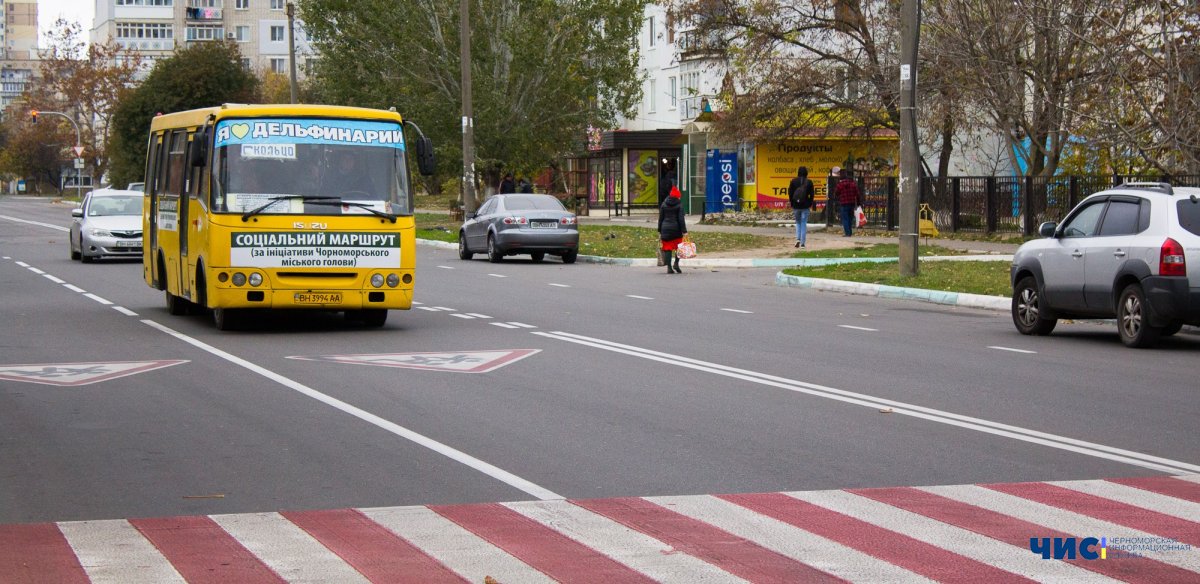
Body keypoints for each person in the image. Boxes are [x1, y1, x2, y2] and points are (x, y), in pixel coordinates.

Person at [658, 185, 687, 274]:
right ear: (677, 196)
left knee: (667, 248)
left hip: (665, 229)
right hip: (676, 230)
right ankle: (676, 264)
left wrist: (659, 230)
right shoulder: (679, 205)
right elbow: (681, 219)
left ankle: (669, 268)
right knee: (679, 247)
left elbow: (661, 218)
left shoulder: (663, 204)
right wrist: (684, 231)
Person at [788, 166, 815, 248]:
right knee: (803, 223)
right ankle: (803, 243)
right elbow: (812, 195)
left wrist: (792, 203)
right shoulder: (809, 182)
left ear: (798, 172)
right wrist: (809, 203)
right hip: (805, 206)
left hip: (796, 206)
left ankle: (798, 239)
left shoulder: (793, 181)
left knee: (798, 223)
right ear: (806, 173)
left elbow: (790, 193)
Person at [835, 168, 862, 237]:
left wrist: (839, 197)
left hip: (844, 204)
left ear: (841, 176)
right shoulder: (853, 184)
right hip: (852, 203)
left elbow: (836, 193)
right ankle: (849, 232)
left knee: (845, 218)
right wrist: (858, 202)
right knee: (850, 218)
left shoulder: (839, 185)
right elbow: (857, 194)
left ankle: (847, 233)